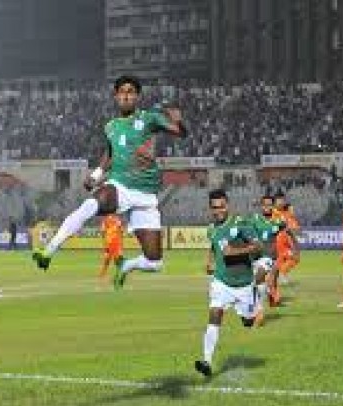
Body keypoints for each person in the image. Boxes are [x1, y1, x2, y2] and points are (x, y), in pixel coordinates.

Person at [31, 75, 186, 291]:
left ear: (137, 96)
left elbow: (181, 133)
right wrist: (96, 175)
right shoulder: (111, 127)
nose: (126, 95)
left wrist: (177, 120)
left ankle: (126, 266)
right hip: (120, 186)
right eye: (122, 92)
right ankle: (49, 251)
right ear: (116, 96)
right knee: (89, 206)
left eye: (130, 91)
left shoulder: (149, 118)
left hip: (146, 195)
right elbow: (110, 154)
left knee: (155, 263)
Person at [195, 189, 262, 377]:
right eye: (215, 207)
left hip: (244, 284)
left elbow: (258, 246)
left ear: (227, 206)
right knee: (214, 315)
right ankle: (206, 361)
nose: (219, 211)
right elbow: (213, 245)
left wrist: (236, 251)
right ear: (210, 209)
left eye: (222, 206)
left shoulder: (240, 224)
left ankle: (254, 301)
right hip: (221, 282)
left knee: (248, 321)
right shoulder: (211, 229)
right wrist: (209, 261)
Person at [99, 214, 124, 282]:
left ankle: (119, 272)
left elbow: (121, 230)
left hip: (114, 242)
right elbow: (103, 231)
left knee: (115, 258)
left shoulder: (115, 219)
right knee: (109, 258)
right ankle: (104, 272)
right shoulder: (107, 220)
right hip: (111, 242)